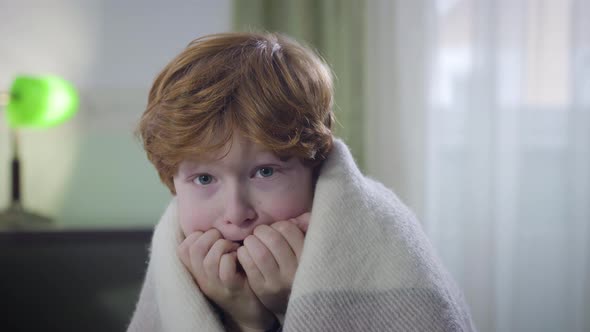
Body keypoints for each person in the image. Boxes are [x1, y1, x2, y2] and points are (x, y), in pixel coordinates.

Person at [128, 32, 476, 332]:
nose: (236, 214)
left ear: (315, 164)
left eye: (265, 172)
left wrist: (289, 306)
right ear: (172, 181)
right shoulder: (173, 255)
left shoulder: (387, 237)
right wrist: (248, 321)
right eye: (204, 178)